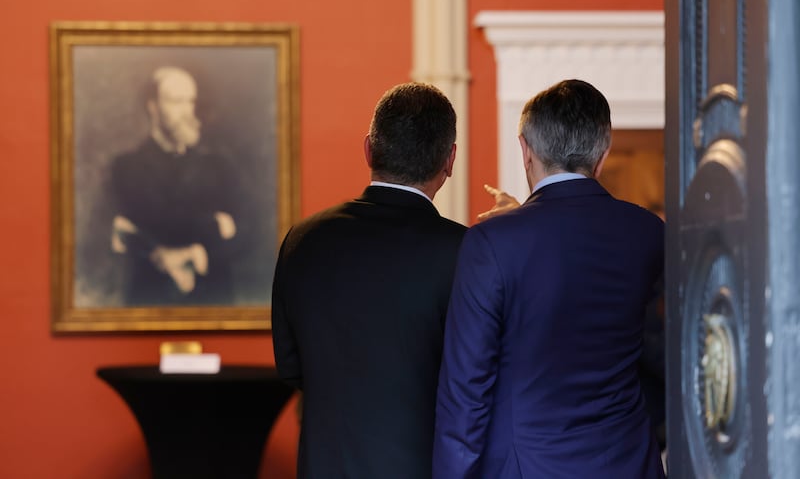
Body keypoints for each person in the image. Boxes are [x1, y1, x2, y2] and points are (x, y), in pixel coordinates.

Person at [433, 79, 665, 478]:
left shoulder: (491, 243)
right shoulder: (649, 232)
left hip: (528, 466)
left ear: (525, 150)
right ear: (603, 153)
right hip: (629, 462)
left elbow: (466, 390)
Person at [271, 82, 466, 479]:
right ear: (450, 159)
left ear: (368, 150)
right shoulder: (467, 252)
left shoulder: (302, 240)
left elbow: (290, 366)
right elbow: (477, 381)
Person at [110, 66, 244, 306]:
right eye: (176, 101)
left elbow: (251, 229)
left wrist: (201, 254)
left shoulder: (218, 166)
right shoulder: (126, 167)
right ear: (153, 106)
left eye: (190, 101)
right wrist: (213, 224)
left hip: (214, 299)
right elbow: (126, 231)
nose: (186, 111)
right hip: (150, 299)